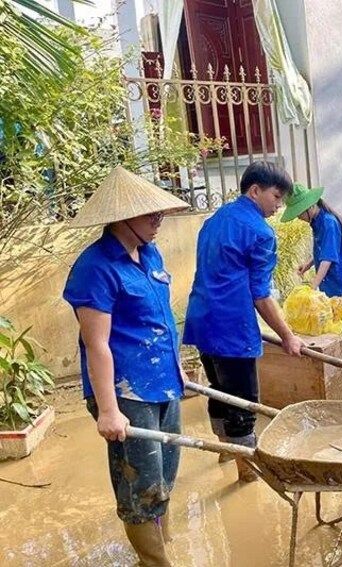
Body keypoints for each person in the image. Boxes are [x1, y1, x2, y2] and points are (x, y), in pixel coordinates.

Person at [63, 165, 191, 566]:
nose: (159, 222)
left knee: (167, 468)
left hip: (162, 381)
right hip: (125, 391)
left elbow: (161, 317)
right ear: (122, 217)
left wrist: (178, 368)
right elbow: (96, 344)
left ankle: (160, 543)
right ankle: (155, 562)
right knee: (142, 481)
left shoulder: (149, 252)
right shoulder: (95, 268)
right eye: (151, 215)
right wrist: (107, 410)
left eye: (161, 214)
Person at [183, 161, 303, 483]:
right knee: (243, 403)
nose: (279, 206)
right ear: (255, 191)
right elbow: (261, 295)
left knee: (219, 390)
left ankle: (226, 450)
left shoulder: (213, 220)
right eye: (276, 197)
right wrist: (289, 336)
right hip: (231, 327)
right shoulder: (260, 232)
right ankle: (246, 474)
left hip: (203, 320)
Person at [283, 184, 342, 318]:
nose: (298, 217)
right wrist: (308, 264)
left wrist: (312, 288)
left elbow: (327, 259)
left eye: (298, 213)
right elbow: (326, 249)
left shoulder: (328, 222)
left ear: (310, 206)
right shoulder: (317, 222)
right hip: (333, 288)